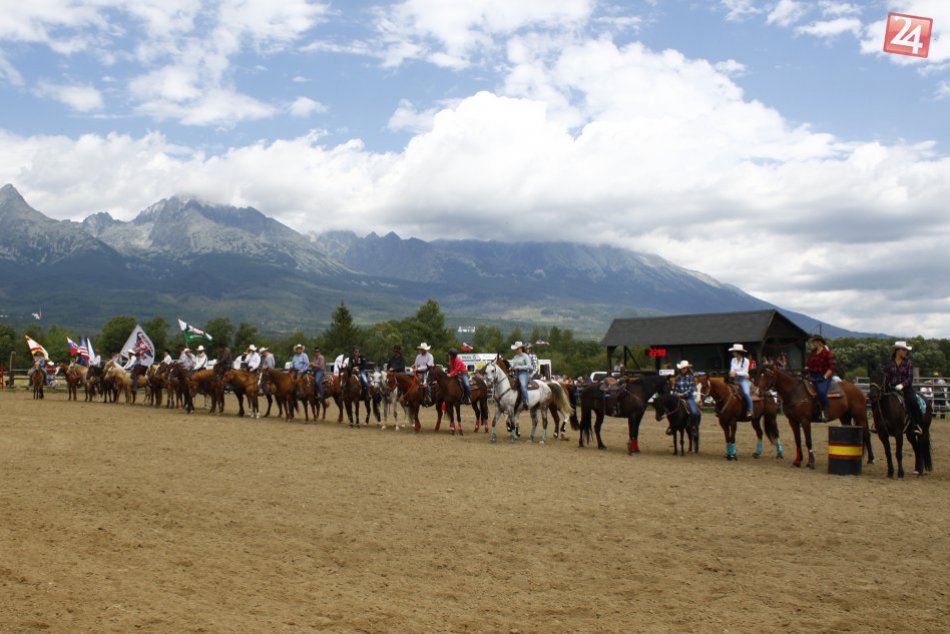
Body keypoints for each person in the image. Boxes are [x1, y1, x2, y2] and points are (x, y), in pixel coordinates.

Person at [884, 340, 923, 435]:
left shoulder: (908, 362)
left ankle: (915, 424)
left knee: (913, 401)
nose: (906, 352)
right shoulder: (889, 362)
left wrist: (902, 385)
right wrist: (887, 384)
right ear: (898, 350)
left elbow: (910, 378)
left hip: (905, 388)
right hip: (891, 388)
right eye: (904, 350)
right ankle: (878, 423)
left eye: (906, 350)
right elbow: (886, 376)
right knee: (879, 400)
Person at [805, 334, 834, 421]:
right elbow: (809, 365)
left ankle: (825, 411)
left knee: (821, 392)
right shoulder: (813, 353)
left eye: (813, 342)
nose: (812, 344)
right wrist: (806, 369)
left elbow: (831, 368)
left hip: (823, 376)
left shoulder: (827, 353)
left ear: (819, 342)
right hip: (812, 376)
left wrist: (824, 377)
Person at [669, 360, 700, 435]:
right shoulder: (677, 378)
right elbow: (674, 389)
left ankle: (693, 427)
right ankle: (672, 426)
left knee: (694, 412)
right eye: (682, 368)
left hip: (688, 397)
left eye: (685, 368)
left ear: (687, 368)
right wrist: (676, 394)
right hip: (678, 397)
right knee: (670, 410)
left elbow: (691, 389)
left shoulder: (691, 377)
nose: (683, 370)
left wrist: (682, 394)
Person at [727, 343, 754, 419]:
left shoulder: (746, 361)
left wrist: (736, 373)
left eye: (734, 351)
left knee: (746, 393)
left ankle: (750, 410)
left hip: (743, 380)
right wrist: (733, 373)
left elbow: (745, 372)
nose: (733, 353)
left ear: (738, 352)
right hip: (735, 379)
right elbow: (732, 370)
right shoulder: (733, 360)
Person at [510, 341, 532, 411]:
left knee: (522, 386)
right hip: (516, 373)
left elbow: (529, 366)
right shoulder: (515, 357)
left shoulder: (525, 356)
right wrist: (511, 367)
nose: (515, 351)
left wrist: (519, 367)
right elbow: (512, 364)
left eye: (516, 349)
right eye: (515, 349)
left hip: (524, 373)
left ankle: (527, 402)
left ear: (520, 348)